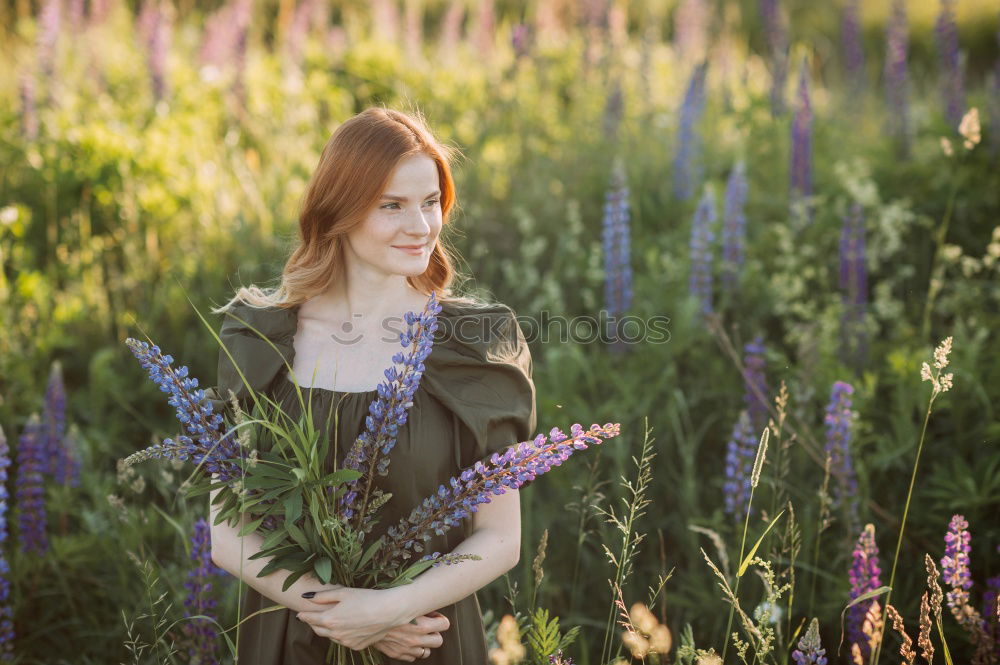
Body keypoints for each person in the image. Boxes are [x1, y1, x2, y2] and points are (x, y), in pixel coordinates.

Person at [203, 107, 537, 664]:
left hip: (428, 639)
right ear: (339, 211)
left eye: (430, 202)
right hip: (296, 641)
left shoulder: (476, 344)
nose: (421, 226)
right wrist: (350, 621)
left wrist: (390, 610)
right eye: (392, 206)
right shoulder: (261, 338)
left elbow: (501, 538)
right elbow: (228, 534)